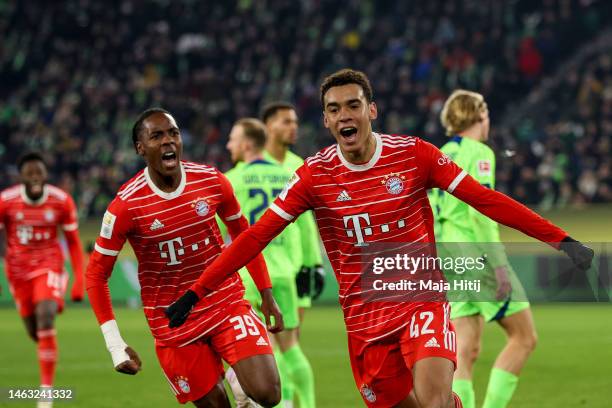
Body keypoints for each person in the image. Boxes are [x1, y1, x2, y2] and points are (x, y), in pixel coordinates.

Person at [166, 69, 594, 408]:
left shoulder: (414, 155)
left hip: (419, 300)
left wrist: (562, 240)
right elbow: (255, 236)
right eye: (334, 109)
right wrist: (197, 291)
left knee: (432, 399)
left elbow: (487, 201)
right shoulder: (313, 177)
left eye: (354, 105)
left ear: (372, 110)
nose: (344, 115)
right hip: (365, 324)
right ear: (327, 120)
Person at [86, 108, 284, 408]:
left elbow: (245, 239)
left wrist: (266, 293)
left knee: (269, 393)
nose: (168, 141)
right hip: (173, 323)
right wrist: (115, 344)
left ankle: (236, 377)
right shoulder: (126, 206)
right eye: (157, 136)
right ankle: (232, 378)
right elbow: (96, 274)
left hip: (225, 303)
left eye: (173, 133)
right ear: (141, 148)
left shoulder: (211, 181)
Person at [430, 90, 535, 408]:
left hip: (447, 256)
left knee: (465, 349)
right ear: (477, 115)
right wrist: (499, 264)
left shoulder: (441, 152)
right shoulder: (479, 152)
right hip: (475, 253)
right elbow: (482, 212)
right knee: (524, 337)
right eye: (486, 112)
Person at [222, 118, 316, 408]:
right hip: (285, 272)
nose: (229, 145)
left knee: (263, 350)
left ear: (247, 144)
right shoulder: (287, 175)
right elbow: (304, 226)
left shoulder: (231, 180)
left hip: (249, 276)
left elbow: (213, 231)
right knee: (290, 347)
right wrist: (310, 264)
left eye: (233, 139)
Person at [0, 152, 84, 408]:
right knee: (35, 331)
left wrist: (79, 279)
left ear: (46, 175)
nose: (35, 176)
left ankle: (46, 394)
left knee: (46, 315)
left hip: (48, 265)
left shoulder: (61, 201)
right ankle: (48, 307)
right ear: (22, 176)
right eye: (30, 172)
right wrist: (6, 258)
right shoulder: (6, 201)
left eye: (39, 172)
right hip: (17, 272)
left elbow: (73, 242)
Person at [261, 102, 325, 321]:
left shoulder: (299, 165)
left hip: (295, 266)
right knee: (265, 346)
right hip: (262, 267)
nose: (294, 127)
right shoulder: (254, 166)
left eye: (295, 122)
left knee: (290, 342)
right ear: (268, 126)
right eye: (286, 121)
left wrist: (313, 263)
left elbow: (306, 223)